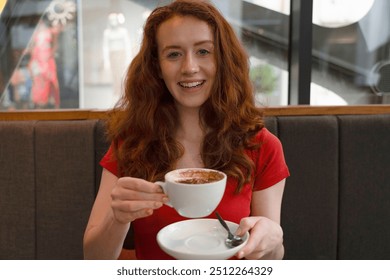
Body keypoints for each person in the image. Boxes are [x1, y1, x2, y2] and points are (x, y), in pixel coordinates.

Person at [83, 0, 289, 260]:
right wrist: (117, 216)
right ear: (157, 67)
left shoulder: (263, 146)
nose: (189, 67)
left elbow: (268, 264)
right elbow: (92, 259)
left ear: (222, 59)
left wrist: (274, 242)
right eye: (173, 54)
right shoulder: (131, 142)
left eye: (203, 51)